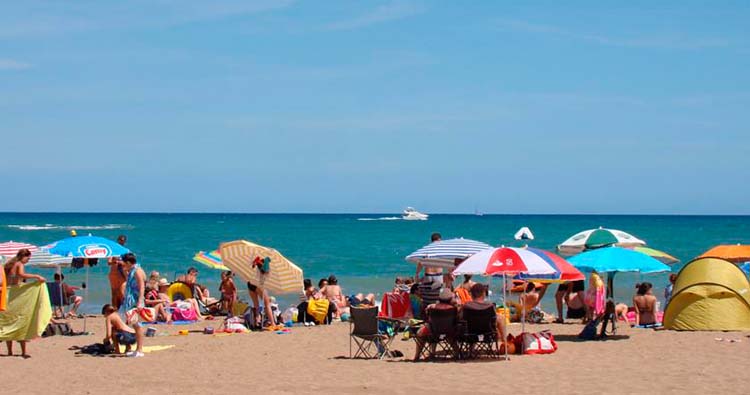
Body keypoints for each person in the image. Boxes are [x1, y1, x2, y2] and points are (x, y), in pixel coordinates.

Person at [3, 248, 45, 358]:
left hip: (8, 295)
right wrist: (36, 276)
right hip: (17, 296)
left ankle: (10, 352)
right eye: (28, 258)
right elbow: (22, 275)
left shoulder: (9, 265)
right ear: (24, 256)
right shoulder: (19, 264)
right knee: (21, 323)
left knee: (9, 323)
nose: (28, 260)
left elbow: (5, 281)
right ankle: (23, 352)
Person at [414, 289, 457, 360]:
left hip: (434, 333)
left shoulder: (431, 307)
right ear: (450, 299)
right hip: (449, 333)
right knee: (449, 333)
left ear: (439, 298)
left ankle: (417, 356)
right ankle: (457, 352)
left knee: (422, 332)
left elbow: (427, 318)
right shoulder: (453, 309)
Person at [107, 235, 127, 308]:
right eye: (120, 240)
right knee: (114, 292)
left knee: (122, 292)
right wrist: (115, 262)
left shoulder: (125, 251)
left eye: (123, 241)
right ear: (118, 240)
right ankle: (114, 308)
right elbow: (109, 262)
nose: (121, 242)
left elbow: (129, 262)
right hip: (114, 274)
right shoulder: (113, 250)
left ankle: (122, 308)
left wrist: (122, 263)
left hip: (122, 274)